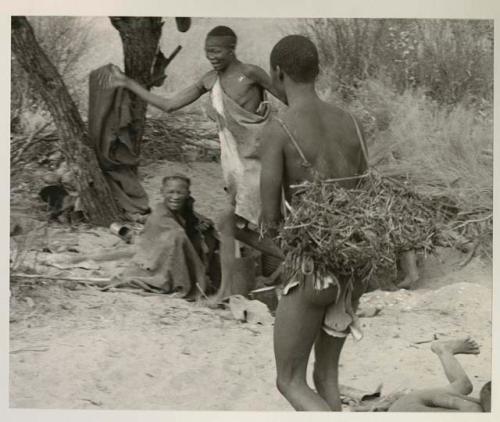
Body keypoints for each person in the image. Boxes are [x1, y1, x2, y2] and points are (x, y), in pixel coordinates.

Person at [101, 25, 286, 302]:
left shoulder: (251, 74)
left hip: (259, 160)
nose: (211, 56)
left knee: (239, 223)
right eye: (207, 52)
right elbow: (170, 104)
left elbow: (289, 100)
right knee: (244, 225)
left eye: (217, 51)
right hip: (234, 166)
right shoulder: (210, 80)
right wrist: (128, 83)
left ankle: (244, 284)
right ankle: (255, 279)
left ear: (231, 48)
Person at [258, 35, 368, 411]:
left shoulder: (280, 128)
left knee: (289, 380)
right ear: (316, 71)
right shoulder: (352, 123)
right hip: (353, 265)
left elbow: (270, 217)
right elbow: (367, 197)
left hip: (313, 267)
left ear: (277, 73)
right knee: (326, 376)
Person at [388, 337, 490, 412]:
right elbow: (441, 398)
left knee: (463, 386)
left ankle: (444, 349)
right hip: (409, 404)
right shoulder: (473, 409)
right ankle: (443, 349)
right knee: (464, 386)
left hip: (408, 405)